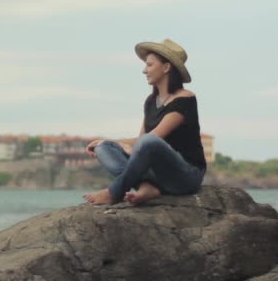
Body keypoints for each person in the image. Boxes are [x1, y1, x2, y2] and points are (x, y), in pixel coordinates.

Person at [83, 38, 206, 205]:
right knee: (103, 147)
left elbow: (153, 138)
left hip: (185, 176)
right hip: (157, 175)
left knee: (149, 141)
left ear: (166, 67)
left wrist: (130, 146)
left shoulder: (185, 99)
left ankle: (114, 192)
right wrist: (111, 142)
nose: (144, 70)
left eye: (149, 65)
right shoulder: (151, 101)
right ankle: (146, 186)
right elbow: (140, 139)